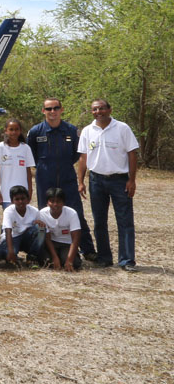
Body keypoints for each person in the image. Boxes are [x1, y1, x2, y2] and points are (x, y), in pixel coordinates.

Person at [77, 99, 141, 271]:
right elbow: (83, 158)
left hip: (119, 180)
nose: (98, 112)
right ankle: (104, 258)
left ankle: (127, 261)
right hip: (96, 180)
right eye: (94, 109)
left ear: (109, 109)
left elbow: (132, 154)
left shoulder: (122, 128)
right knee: (99, 222)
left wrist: (132, 180)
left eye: (102, 108)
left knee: (125, 221)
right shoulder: (87, 131)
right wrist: (81, 181)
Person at [28, 98, 94, 261]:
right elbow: (32, 154)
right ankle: (43, 251)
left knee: (76, 213)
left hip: (67, 176)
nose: (53, 112)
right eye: (49, 109)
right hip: (45, 176)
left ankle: (88, 250)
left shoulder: (71, 130)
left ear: (61, 110)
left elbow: (77, 154)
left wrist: (63, 165)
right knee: (45, 214)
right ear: (43, 111)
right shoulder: (36, 131)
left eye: (56, 108)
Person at [0, 119, 35, 207]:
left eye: (16, 129)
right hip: (6, 194)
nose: (14, 132)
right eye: (11, 129)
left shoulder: (25, 148)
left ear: (20, 131)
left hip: (23, 193)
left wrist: (30, 191)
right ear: (6, 131)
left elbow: (28, 172)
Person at [38, 187, 81, 272]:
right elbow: (46, 237)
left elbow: (75, 238)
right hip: (51, 243)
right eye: (52, 201)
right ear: (47, 202)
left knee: (74, 264)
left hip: (66, 244)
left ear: (63, 202)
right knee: (46, 261)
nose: (55, 204)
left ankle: (67, 258)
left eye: (58, 201)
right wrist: (54, 257)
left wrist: (69, 260)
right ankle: (57, 257)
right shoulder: (42, 214)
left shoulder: (72, 213)